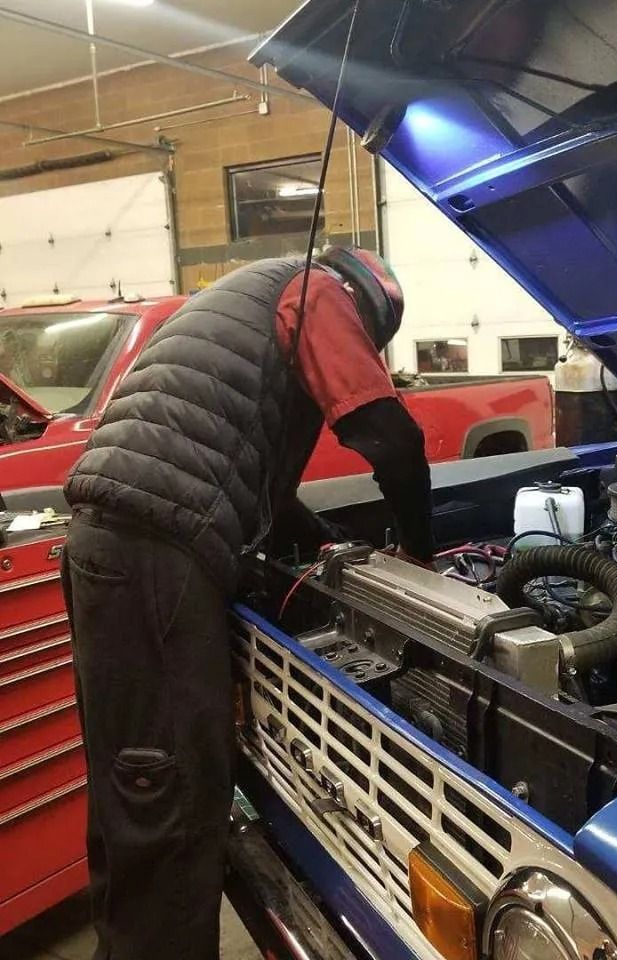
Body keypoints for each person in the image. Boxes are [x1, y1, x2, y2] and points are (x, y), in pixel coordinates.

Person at [60, 251, 434, 960]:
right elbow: (391, 439)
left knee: (133, 792)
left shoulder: (239, 299)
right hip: (155, 559)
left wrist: (329, 543)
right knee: (171, 799)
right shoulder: (318, 293)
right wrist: (421, 557)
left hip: (103, 546)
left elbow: (249, 484)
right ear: (370, 305)